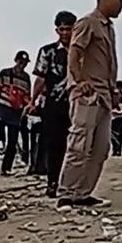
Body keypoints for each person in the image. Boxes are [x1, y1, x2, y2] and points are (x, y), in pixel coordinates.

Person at [56, 0, 122, 211]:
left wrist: (114, 90)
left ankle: (83, 193)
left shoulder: (108, 27)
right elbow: (74, 53)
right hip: (87, 94)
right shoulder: (87, 22)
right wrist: (79, 80)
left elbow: (107, 61)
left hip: (105, 94)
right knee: (79, 144)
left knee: (101, 147)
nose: (121, 5)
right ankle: (66, 193)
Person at [28, 11, 76, 197]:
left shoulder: (82, 49)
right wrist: (33, 101)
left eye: (68, 29)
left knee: (75, 144)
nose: (65, 33)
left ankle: (71, 182)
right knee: (54, 144)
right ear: (57, 29)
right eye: (61, 29)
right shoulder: (47, 51)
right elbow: (40, 78)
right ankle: (53, 182)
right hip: (54, 104)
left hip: (77, 103)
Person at [0, 51, 32, 176]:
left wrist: (29, 108)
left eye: (25, 63)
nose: (22, 65)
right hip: (1, 109)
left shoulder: (26, 78)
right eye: (21, 62)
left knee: (12, 141)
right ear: (16, 60)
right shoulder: (4, 73)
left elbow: (27, 96)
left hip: (16, 112)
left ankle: (6, 169)